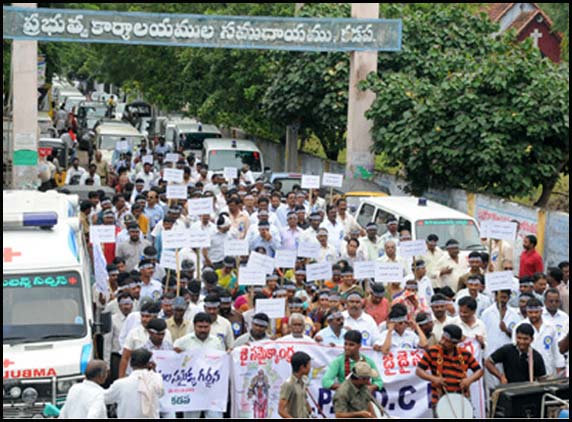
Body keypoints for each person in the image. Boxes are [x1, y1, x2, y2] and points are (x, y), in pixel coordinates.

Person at [416, 324, 484, 416]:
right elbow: (419, 371)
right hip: (439, 398)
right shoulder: (432, 351)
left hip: (461, 398)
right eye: (442, 338)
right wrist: (434, 379)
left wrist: (469, 380)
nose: (442, 342)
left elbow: (479, 371)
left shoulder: (464, 354)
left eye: (447, 341)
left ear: (454, 343)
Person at [104, 348, 164, 419]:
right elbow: (161, 393)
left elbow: (104, 398)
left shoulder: (120, 384)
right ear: (149, 364)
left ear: (131, 364)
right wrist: (153, 370)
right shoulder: (157, 378)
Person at [512, 297, 565, 377]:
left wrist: (560, 367)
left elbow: (556, 350)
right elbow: (515, 349)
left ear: (541, 311)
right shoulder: (519, 327)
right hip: (527, 369)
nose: (533, 315)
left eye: (536, 312)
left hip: (548, 368)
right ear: (526, 312)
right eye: (530, 312)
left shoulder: (550, 326)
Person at [278, 351, 312, 419]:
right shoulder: (288, 384)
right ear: (302, 367)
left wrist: (309, 410)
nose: (310, 368)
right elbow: (281, 410)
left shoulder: (303, 382)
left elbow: (303, 399)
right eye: (309, 365)